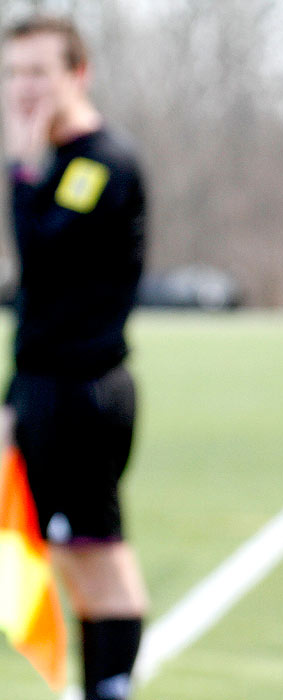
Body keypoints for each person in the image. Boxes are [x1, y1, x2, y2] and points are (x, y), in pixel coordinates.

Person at [1, 16, 147, 700]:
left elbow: (46, 252)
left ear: (76, 74)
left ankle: (110, 688)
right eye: (13, 73)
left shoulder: (97, 163)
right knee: (71, 553)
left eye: (39, 72)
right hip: (44, 388)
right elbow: (36, 299)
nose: (24, 88)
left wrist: (22, 168)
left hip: (82, 393)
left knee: (96, 554)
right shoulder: (55, 162)